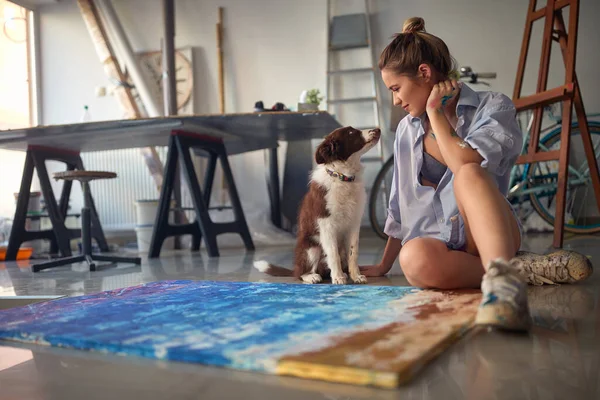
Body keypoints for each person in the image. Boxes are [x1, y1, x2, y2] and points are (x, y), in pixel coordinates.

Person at [359, 17, 593, 331]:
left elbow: (463, 162)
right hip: (443, 248)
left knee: (469, 173)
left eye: (396, 88)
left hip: (491, 238)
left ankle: (504, 291)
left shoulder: (493, 107)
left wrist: (435, 112)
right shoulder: (405, 130)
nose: (396, 100)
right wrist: (383, 265)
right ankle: (519, 270)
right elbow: (399, 205)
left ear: (425, 73)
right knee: (412, 259)